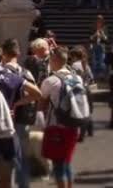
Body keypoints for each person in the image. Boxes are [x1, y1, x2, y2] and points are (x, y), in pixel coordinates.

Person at [0, 45, 41, 188]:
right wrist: (16, 103)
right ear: (2, 58)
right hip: (8, 132)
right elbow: (37, 94)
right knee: (6, 179)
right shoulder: (13, 78)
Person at [40, 46, 83, 188]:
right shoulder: (77, 79)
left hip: (55, 125)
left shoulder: (50, 80)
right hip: (74, 124)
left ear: (55, 60)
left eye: (51, 60)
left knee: (58, 163)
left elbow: (42, 104)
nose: (49, 63)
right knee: (67, 160)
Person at [0, 39, 39, 188]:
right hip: (24, 118)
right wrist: (21, 102)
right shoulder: (25, 72)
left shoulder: (3, 73)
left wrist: (14, 103)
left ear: (3, 54)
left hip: (7, 119)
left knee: (8, 157)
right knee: (22, 155)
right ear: (18, 53)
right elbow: (37, 94)